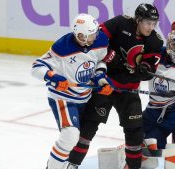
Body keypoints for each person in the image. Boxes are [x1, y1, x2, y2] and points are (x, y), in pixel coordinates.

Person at [67, 3, 163, 169]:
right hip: (105, 85)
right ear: (138, 19)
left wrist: (145, 69)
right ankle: (71, 164)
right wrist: (109, 53)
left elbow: (150, 68)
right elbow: (97, 38)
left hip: (128, 90)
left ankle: (132, 167)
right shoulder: (121, 23)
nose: (150, 27)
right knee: (88, 127)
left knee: (135, 133)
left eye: (153, 23)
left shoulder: (155, 40)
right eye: (147, 22)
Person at [31, 13, 113, 169]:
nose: (95, 36)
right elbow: (36, 67)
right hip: (63, 98)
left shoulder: (100, 40)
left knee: (79, 136)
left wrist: (100, 78)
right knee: (70, 136)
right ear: (80, 36)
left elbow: (100, 62)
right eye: (91, 35)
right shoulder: (62, 47)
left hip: (84, 97)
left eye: (96, 32)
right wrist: (53, 77)